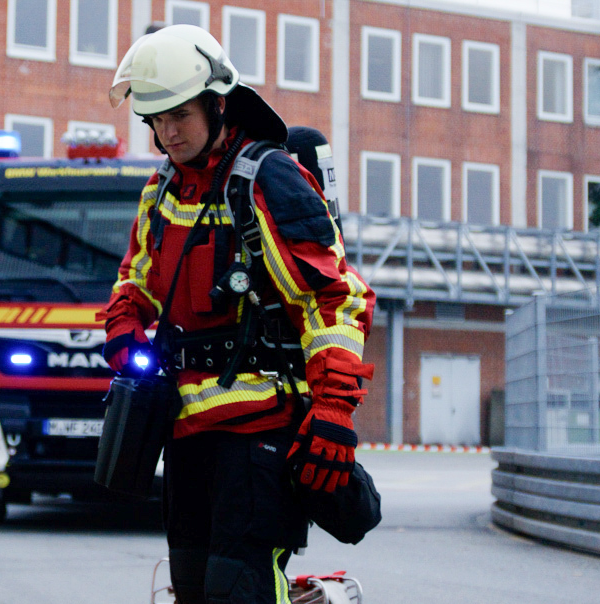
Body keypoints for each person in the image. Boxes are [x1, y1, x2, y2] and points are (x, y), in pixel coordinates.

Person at [99, 25, 376, 604]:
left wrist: (332, 411)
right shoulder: (163, 190)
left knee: (238, 589)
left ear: (216, 101)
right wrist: (125, 326)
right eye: (154, 120)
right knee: (194, 588)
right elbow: (137, 278)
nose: (167, 132)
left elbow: (334, 300)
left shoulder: (265, 178)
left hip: (259, 432)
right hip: (187, 430)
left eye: (178, 114)